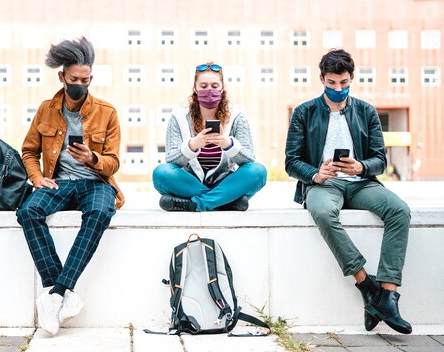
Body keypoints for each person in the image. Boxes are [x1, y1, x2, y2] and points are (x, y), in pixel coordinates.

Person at [285, 49, 412, 334]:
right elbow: (291, 162)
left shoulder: (366, 111)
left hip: (360, 183)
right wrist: (316, 173)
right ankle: (366, 285)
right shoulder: (304, 113)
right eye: (331, 83)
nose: (338, 89)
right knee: (322, 212)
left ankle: (387, 295)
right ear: (322, 79)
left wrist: (360, 167)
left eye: (343, 82)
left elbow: (380, 159)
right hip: (324, 184)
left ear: (351, 78)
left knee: (399, 210)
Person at [15, 37, 123, 336]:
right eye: (74, 79)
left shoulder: (107, 111)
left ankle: (56, 292)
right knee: (28, 212)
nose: (80, 85)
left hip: (95, 182)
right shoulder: (46, 109)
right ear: (62, 77)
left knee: (101, 213)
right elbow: (28, 152)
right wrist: (38, 179)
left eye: (86, 80)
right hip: (58, 182)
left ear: (91, 79)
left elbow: (113, 163)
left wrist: (92, 158)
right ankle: (60, 291)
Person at [152, 62, 267, 212]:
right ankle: (225, 202)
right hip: (190, 184)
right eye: (203, 86)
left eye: (214, 86)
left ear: (222, 87)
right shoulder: (178, 117)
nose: (209, 90)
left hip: (225, 182)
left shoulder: (237, 116)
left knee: (258, 171)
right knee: (161, 173)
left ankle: (197, 204)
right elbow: (171, 160)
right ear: (195, 88)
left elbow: (249, 159)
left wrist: (228, 144)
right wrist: (193, 145)